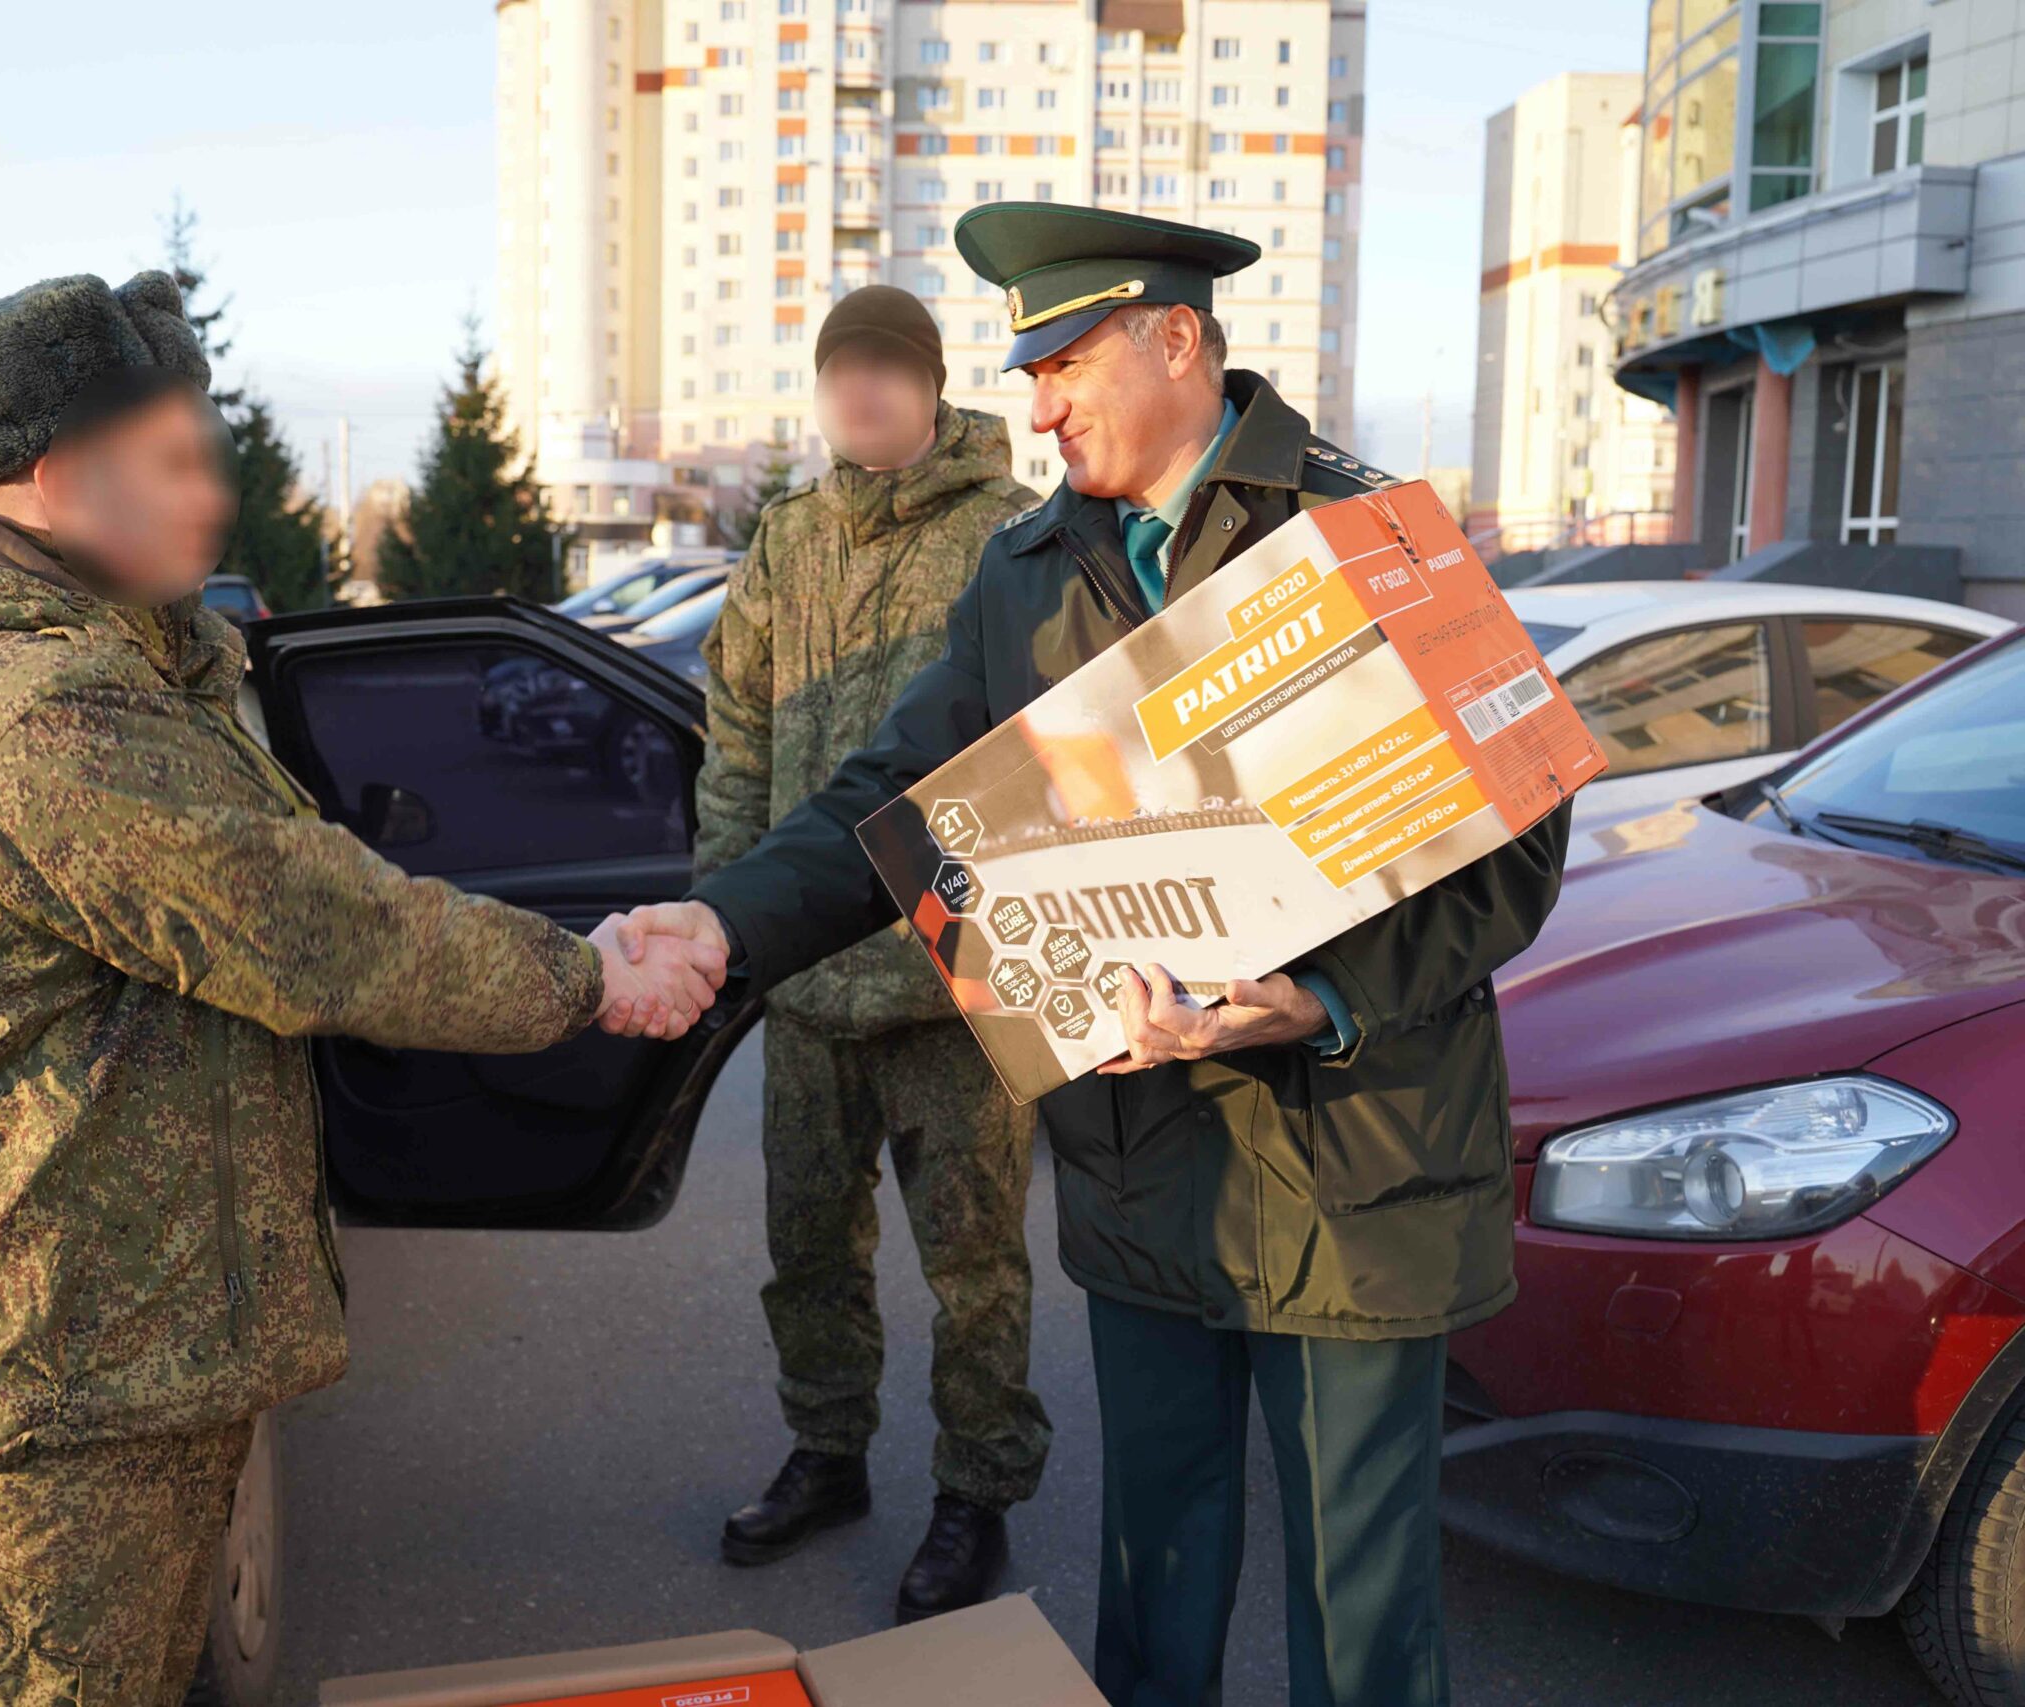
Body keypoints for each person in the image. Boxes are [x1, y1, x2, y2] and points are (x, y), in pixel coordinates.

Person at [608, 207, 1570, 1707]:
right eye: (1025, 367)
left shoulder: (1374, 536)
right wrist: (730, 919)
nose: (1036, 404)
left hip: (1357, 1169)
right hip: (1147, 1162)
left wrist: (1318, 1003)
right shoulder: (1027, 568)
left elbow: (1519, 853)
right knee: (1157, 1583)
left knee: (1360, 1616)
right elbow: (898, 801)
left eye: (1060, 363)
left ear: (1175, 341)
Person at [0, 270, 722, 1707]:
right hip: (68, 1378)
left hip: (123, 1347)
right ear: (62, 476)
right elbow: (317, 927)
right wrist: (586, 976)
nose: (213, 502)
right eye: (179, 466)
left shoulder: (120, 668)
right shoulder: (39, 713)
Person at [697, 285, 1050, 1623]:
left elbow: (1052, 757)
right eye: (842, 371)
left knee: (974, 1265)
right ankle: (828, 1454)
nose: (860, 394)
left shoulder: (1010, 538)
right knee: (808, 1248)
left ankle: (977, 1493)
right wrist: (723, 920)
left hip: (951, 982)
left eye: (884, 372)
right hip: (807, 984)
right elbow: (734, 735)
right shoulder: (788, 538)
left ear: (933, 385)